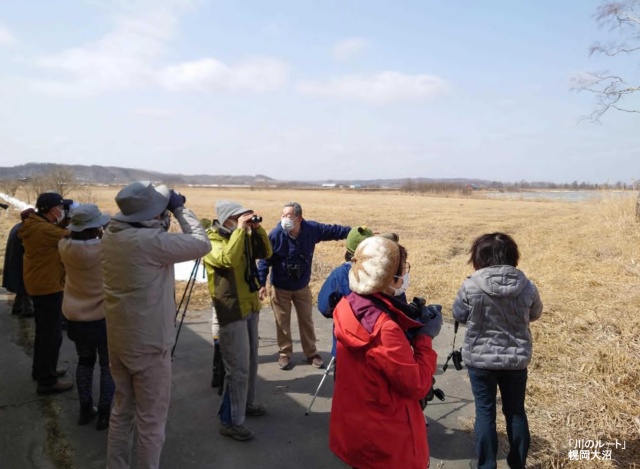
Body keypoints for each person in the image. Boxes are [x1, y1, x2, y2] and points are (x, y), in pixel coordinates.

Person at [102, 181, 211, 469]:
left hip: (118, 339)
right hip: (149, 345)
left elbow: (145, 229)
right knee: (151, 421)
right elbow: (202, 243)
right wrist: (178, 208)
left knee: (122, 410)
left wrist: (161, 212)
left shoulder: (111, 235)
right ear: (149, 217)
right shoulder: (151, 243)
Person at [329, 236, 441, 469]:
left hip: (358, 428)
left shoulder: (347, 305)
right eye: (401, 271)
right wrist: (425, 338)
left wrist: (408, 318)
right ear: (386, 277)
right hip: (387, 440)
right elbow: (417, 384)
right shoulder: (384, 329)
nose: (404, 276)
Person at [452, 232, 543, 469]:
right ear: (513, 257)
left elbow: (459, 314)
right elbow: (534, 314)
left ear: (479, 257)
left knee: (485, 412)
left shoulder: (471, 285)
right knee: (515, 412)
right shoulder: (526, 285)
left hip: (480, 361)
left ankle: (487, 465)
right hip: (516, 360)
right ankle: (518, 464)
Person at [203, 201, 272, 441]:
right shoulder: (211, 240)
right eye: (239, 218)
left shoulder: (241, 235)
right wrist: (241, 231)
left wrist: (256, 228)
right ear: (226, 219)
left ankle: (247, 403)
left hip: (250, 306)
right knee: (238, 369)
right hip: (230, 311)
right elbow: (228, 260)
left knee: (252, 363)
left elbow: (266, 253)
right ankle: (230, 421)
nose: (243, 221)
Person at [257, 202, 350, 370]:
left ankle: (311, 353)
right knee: (282, 321)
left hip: (301, 286)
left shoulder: (311, 229)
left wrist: (356, 232)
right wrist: (261, 283)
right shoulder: (276, 234)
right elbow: (265, 260)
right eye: (283, 215)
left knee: (306, 320)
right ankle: (285, 353)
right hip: (280, 287)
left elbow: (334, 231)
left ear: (299, 218)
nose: (284, 219)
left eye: (288, 216)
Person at [58, 204, 114, 430]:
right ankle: (104, 412)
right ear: (96, 226)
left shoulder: (64, 246)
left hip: (75, 316)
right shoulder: (105, 248)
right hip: (102, 317)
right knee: (107, 366)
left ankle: (85, 408)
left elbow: (64, 232)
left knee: (85, 361)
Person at [19, 192, 74, 395]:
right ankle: (47, 381)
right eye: (60, 208)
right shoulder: (43, 229)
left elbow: (55, 232)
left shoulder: (35, 224)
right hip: (47, 287)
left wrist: (66, 218)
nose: (61, 211)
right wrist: (78, 221)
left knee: (44, 333)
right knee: (51, 335)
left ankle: (42, 370)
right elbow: (72, 235)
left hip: (39, 284)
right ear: (51, 210)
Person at [2, 220, 34, 317]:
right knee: (25, 285)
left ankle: (18, 306)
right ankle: (27, 309)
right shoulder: (24, 230)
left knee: (21, 284)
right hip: (22, 261)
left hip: (15, 260)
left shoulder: (17, 227)